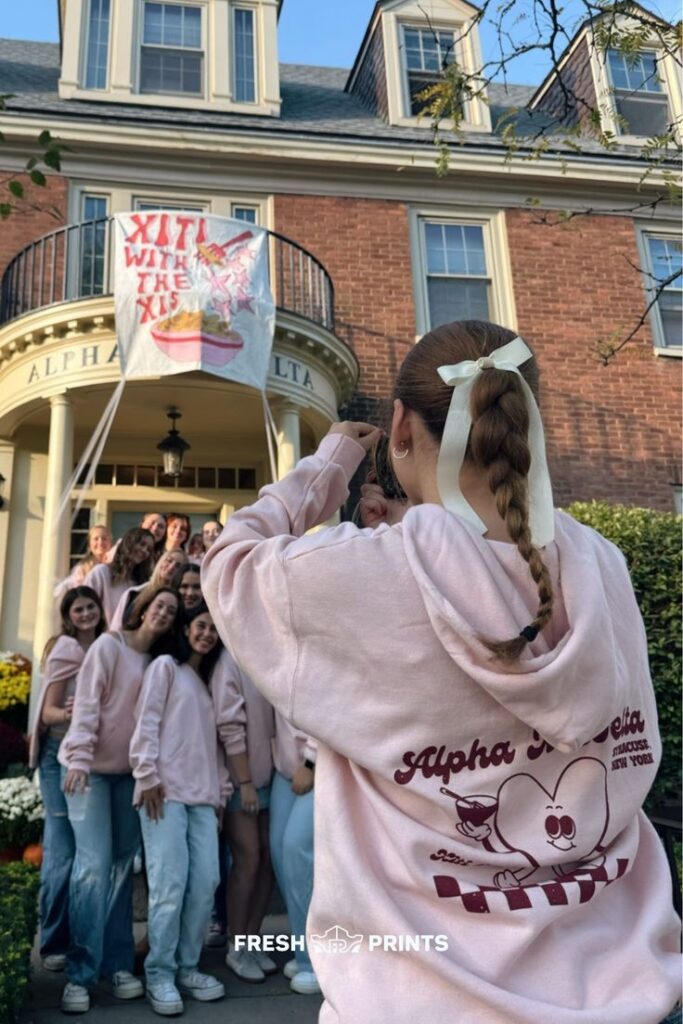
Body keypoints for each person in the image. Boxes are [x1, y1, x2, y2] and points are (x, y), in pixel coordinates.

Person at [202, 320, 681, 1024]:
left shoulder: (359, 573)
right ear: (526, 423)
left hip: (416, 998)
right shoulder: (602, 567)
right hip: (628, 989)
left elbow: (228, 563)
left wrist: (329, 462)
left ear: (400, 424)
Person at [58, 587, 180, 1015]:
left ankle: (118, 965)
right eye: (158, 605)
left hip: (129, 778)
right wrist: (78, 756)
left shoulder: (159, 664)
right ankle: (80, 974)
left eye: (172, 610)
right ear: (141, 609)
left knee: (121, 870)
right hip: (88, 771)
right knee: (91, 868)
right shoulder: (110, 646)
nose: (163, 613)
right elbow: (88, 703)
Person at [130, 602, 227, 1015]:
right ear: (187, 629)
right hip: (163, 793)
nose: (207, 634)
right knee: (169, 886)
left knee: (205, 883)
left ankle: (187, 968)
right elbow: (146, 719)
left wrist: (219, 796)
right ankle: (159, 974)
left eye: (213, 630)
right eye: (201, 626)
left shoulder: (204, 683)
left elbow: (210, 747)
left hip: (202, 800)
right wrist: (146, 774)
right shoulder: (165, 667)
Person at [29, 587, 105, 973]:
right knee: (62, 852)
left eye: (91, 606)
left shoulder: (105, 646)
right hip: (57, 758)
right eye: (79, 609)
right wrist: (73, 713)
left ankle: (81, 937)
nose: (86, 613)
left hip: (88, 759)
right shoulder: (66, 649)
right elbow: (49, 714)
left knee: (86, 854)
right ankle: (53, 942)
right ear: (68, 615)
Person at [211, 648, 274, 983]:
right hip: (241, 779)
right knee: (248, 859)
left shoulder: (269, 650)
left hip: (272, 775)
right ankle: (236, 946)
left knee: (268, 861)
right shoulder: (231, 659)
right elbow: (228, 724)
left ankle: (250, 940)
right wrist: (245, 782)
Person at [269, 711, 318, 994]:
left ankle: (314, 961)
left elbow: (329, 707)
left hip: (319, 765)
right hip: (284, 767)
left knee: (295, 850)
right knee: (280, 852)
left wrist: (311, 762)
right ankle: (304, 948)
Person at [84, 527, 155, 625]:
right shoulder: (101, 572)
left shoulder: (140, 584)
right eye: (141, 544)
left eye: (148, 549)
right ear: (129, 542)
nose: (144, 550)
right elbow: (84, 605)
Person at [109, 549, 186, 632]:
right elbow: (116, 628)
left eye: (178, 566)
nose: (171, 567)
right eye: (169, 561)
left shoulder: (181, 602)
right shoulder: (133, 593)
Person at [54, 526, 113, 601]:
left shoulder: (116, 565)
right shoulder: (82, 568)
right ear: (89, 545)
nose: (100, 542)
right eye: (96, 539)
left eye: (104, 539)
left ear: (111, 543)